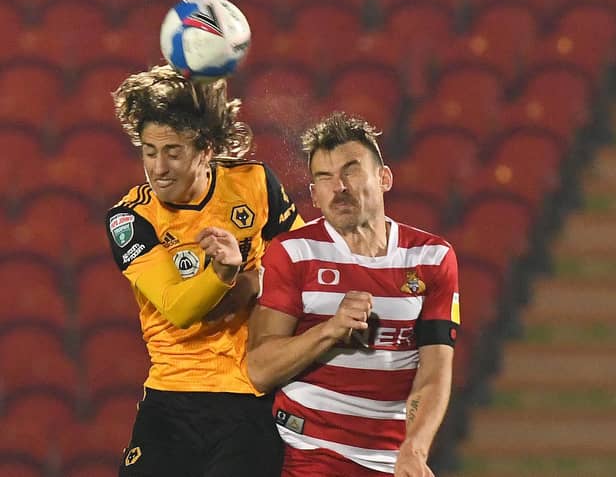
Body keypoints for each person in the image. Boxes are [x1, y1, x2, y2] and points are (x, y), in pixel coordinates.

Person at [105, 64, 303, 477]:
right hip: (171, 398)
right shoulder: (131, 216)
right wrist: (229, 274)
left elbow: (305, 266)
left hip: (248, 397)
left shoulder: (255, 183)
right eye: (148, 151)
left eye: (173, 152)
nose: (158, 168)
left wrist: (255, 280)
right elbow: (178, 308)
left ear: (206, 148)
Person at [247, 112, 460, 477]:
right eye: (324, 178)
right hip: (307, 451)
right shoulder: (294, 253)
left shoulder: (432, 257)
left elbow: (434, 372)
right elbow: (259, 370)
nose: (339, 187)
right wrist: (330, 330)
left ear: (384, 177)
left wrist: (415, 448)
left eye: (351, 170)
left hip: (393, 461)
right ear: (314, 194)